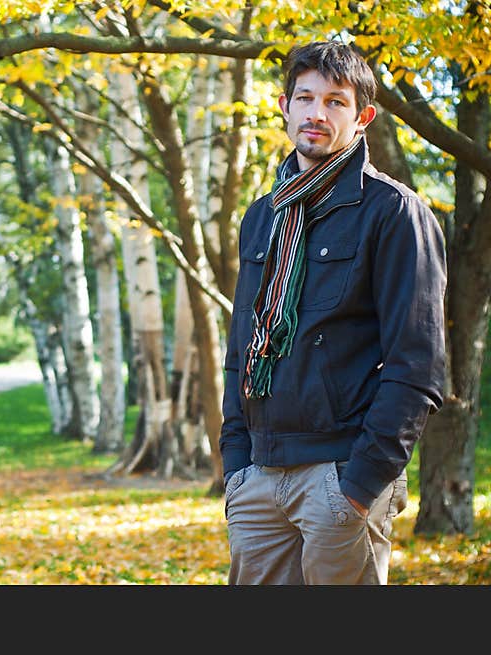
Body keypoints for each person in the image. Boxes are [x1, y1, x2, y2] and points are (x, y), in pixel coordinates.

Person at [219, 41, 446, 585]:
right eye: (305, 98)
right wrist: (235, 467)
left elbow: (417, 368)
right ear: (284, 106)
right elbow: (241, 346)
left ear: (363, 117)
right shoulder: (263, 215)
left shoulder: (394, 213)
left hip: (340, 476)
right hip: (259, 477)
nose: (317, 114)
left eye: (336, 102)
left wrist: (361, 483)